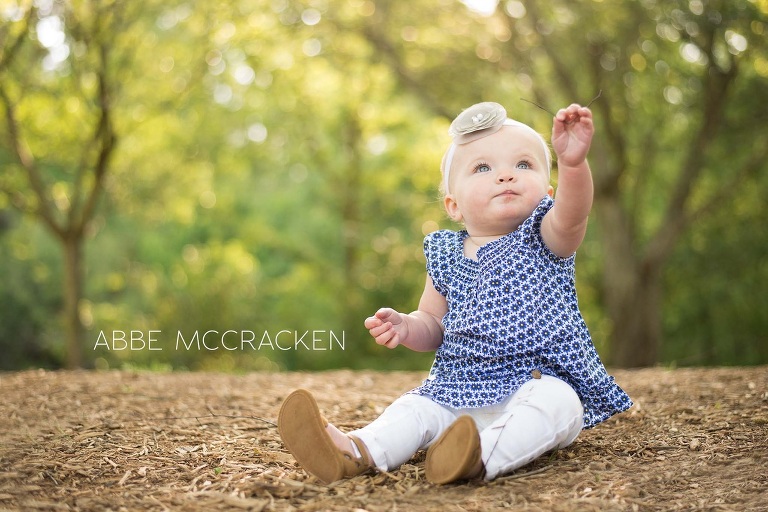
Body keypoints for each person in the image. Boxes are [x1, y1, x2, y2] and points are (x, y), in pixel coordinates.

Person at [278, 101, 633, 485]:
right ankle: (356, 451)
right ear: (454, 205)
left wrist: (574, 163)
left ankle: (476, 455)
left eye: (524, 165)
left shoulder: (546, 235)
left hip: (539, 380)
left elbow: (574, 212)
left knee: (560, 405)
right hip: (458, 386)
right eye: (483, 168)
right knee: (415, 409)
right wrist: (406, 327)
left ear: (548, 193)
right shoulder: (445, 255)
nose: (506, 177)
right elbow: (432, 322)